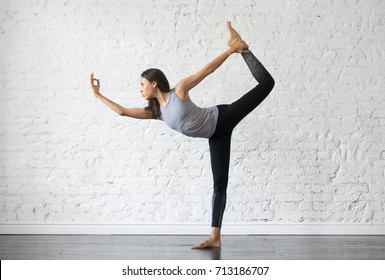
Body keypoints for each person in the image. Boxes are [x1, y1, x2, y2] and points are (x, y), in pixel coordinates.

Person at [90, 21, 275, 249]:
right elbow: (122, 111)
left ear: (154, 83)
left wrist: (231, 51)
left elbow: (207, 70)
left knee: (267, 83)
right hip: (216, 136)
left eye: (142, 84)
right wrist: (98, 95)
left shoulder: (179, 90)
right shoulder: (156, 113)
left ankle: (240, 46)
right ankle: (215, 238)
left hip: (223, 117)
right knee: (220, 185)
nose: (139, 88)